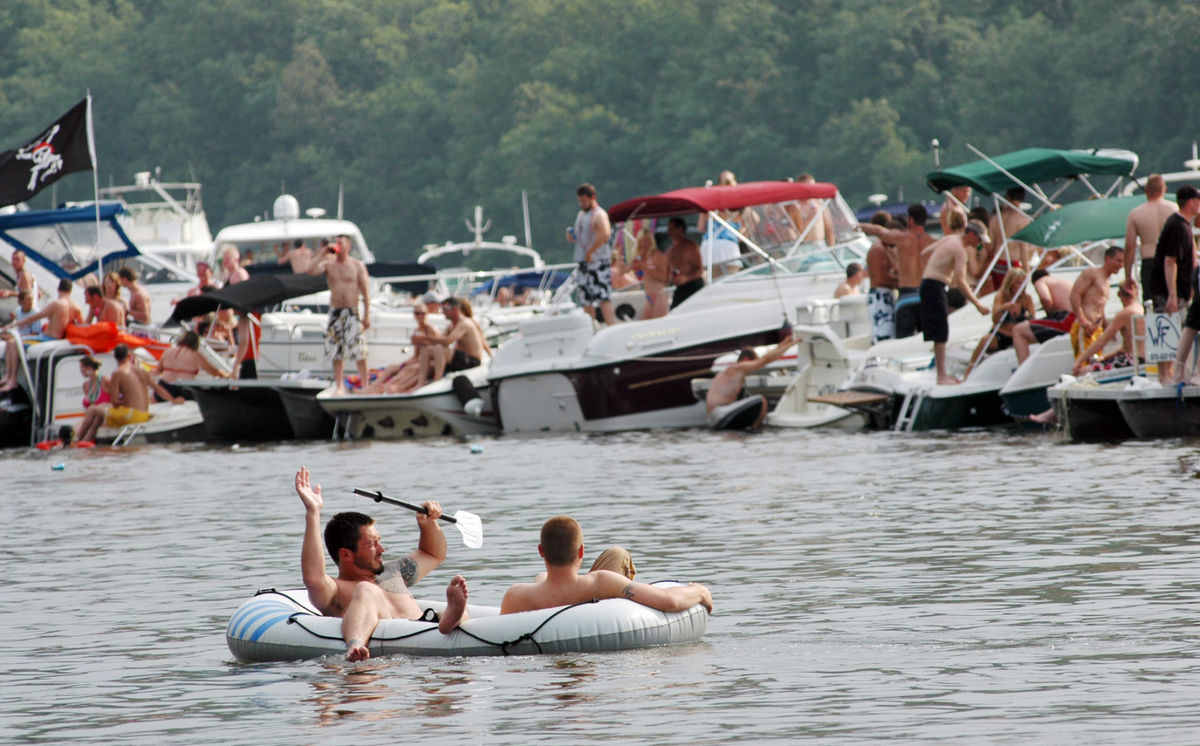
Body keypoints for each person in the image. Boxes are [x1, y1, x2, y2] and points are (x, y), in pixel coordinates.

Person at [293, 466, 468, 661]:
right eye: (372, 544)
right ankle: (356, 645)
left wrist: (427, 524)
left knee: (459, 609)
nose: (381, 549)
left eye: (379, 541)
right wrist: (313, 512)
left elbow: (432, 554)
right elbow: (313, 578)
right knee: (366, 589)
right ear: (346, 555)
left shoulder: (391, 574)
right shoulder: (335, 590)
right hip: (392, 645)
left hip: (430, 628)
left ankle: (450, 618)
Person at [500, 516, 712, 616]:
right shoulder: (600, 582)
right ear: (581, 551)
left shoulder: (516, 596)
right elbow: (671, 601)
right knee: (618, 556)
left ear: (541, 552)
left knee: (540, 577)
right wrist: (699, 591)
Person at [919, 220, 991, 384]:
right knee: (940, 331)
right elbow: (961, 281)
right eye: (979, 240)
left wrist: (934, 270)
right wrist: (978, 304)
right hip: (935, 286)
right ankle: (941, 376)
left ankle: (941, 373)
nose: (979, 244)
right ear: (971, 235)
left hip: (928, 284)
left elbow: (924, 253)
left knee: (937, 330)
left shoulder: (950, 239)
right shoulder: (960, 250)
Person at [76, 343, 184, 442]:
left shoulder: (118, 373)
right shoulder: (140, 371)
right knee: (102, 409)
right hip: (144, 414)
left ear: (115, 357)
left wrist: (122, 401)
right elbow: (157, 388)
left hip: (131, 415)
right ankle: (86, 441)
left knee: (91, 410)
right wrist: (173, 400)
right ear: (129, 356)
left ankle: (77, 440)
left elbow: (114, 402)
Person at [862, 203, 935, 339]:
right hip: (925, 297)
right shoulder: (932, 242)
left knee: (904, 343)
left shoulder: (902, 239)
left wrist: (861, 226)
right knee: (926, 342)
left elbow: (880, 231)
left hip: (906, 296)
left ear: (910, 220)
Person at [312, 235, 371, 395]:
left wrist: (366, 315)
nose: (337, 245)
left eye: (340, 243)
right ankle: (339, 384)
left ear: (348, 246)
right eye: (336, 242)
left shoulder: (357, 265)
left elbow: (365, 291)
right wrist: (323, 251)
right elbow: (310, 270)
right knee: (335, 350)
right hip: (335, 311)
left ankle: (365, 383)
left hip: (352, 311)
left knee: (359, 349)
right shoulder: (329, 264)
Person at [0, 279, 83, 392]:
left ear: (58, 289)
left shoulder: (57, 304)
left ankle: (12, 378)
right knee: (11, 342)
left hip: (46, 338)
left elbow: (33, 318)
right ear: (70, 290)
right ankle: (9, 376)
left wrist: (8, 327)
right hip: (54, 338)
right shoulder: (76, 306)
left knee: (13, 343)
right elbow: (82, 325)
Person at [705, 334, 799, 430]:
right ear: (746, 360)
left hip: (716, 416)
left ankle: (750, 429)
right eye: (753, 361)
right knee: (761, 400)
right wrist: (792, 344)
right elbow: (765, 360)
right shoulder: (737, 368)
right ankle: (755, 431)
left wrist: (784, 343)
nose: (754, 367)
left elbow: (765, 357)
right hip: (719, 413)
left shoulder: (734, 371)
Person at [406, 297, 491, 390]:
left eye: (445, 309)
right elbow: (440, 339)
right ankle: (420, 383)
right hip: (459, 359)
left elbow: (448, 341)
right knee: (426, 350)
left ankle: (437, 381)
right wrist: (422, 341)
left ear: (455, 309)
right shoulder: (451, 325)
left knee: (439, 349)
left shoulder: (464, 323)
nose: (442, 312)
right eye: (442, 309)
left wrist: (424, 338)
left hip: (471, 360)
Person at [966, 268, 1035, 374]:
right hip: (1001, 334)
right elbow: (995, 319)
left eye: (1022, 283)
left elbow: (1033, 320)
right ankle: (970, 369)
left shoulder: (1026, 299)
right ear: (1011, 283)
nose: (1020, 286)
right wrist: (1004, 308)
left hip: (1017, 336)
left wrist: (1025, 314)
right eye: (1017, 283)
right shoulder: (1001, 296)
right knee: (985, 340)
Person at [1123, 174, 1179, 299]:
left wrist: (1128, 275)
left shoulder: (1136, 213)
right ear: (1164, 189)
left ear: (1146, 190)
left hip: (1150, 262)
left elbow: (1130, 246)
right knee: (1176, 302)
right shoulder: (1175, 209)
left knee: (1151, 305)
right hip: (1173, 260)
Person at [1148, 185, 1200, 315]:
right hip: (1170, 293)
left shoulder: (1184, 224)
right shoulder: (1178, 226)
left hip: (1182, 291)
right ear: (1191, 202)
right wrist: (1172, 295)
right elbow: (1170, 261)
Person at [1073, 282, 1144, 376]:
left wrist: (1080, 360)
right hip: (1141, 357)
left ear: (1119, 294)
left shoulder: (1125, 313)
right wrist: (1105, 357)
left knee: (1082, 372)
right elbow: (1127, 347)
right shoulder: (1141, 309)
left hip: (1133, 360)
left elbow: (1102, 341)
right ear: (1137, 292)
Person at [570, 183, 617, 325]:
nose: (581, 204)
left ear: (592, 198)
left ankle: (611, 326)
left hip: (598, 261)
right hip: (584, 262)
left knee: (603, 296)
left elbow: (605, 233)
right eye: (580, 201)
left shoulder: (599, 214)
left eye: (584, 201)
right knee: (586, 298)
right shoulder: (581, 214)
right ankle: (591, 328)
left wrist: (591, 251)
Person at [1011, 268, 1079, 365]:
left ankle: (1023, 367)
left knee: (1018, 330)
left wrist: (1049, 314)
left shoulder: (1040, 281)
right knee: (1032, 331)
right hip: (1076, 319)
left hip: (1066, 319)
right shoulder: (1063, 282)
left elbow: (1046, 298)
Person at [983, 187, 1033, 293]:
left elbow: (990, 247)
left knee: (999, 294)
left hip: (997, 263)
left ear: (1008, 197)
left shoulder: (996, 218)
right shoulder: (1023, 220)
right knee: (1013, 296)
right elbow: (1023, 248)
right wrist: (1027, 271)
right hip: (1013, 263)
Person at [155, 329, 230, 400]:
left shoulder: (167, 351)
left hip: (164, 387)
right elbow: (214, 372)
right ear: (196, 343)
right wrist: (227, 375)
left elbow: (158, 371)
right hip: (183, 389)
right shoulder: (195, 355)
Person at [860, 211, 898, 343]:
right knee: (883, 335)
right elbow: (880, 278)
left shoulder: (883, 247)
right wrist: (901, 281)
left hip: (883, 294)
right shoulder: (878, 249)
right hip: (880, 295)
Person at [630, 226, 670, 320]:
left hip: (659, 294)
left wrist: (647, 269)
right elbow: (622, 272)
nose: (644, 243)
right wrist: (618, 257)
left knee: (657, 326)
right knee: (645, 326)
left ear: (651, 241)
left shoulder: (656, 255)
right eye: (642, 240)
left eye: (647, 240)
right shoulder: (640, 257)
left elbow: (665, 279)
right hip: (649, 295)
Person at [785, 173, 836, 246]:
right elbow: (796, 233)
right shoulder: (795, 207)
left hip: (820, 244)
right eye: (807, 187)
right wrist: (810, 217)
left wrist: (832, 247)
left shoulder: (819, 203)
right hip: (805, 246)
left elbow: (829, 228)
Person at [666, 217, 704, 310]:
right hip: (680, 286)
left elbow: (699, 270)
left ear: (680, 229)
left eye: (672, 229)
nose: (669, 232)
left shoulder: (690, 247)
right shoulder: (671, 250)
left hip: (693, 285)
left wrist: (686, 278)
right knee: (674, 310)